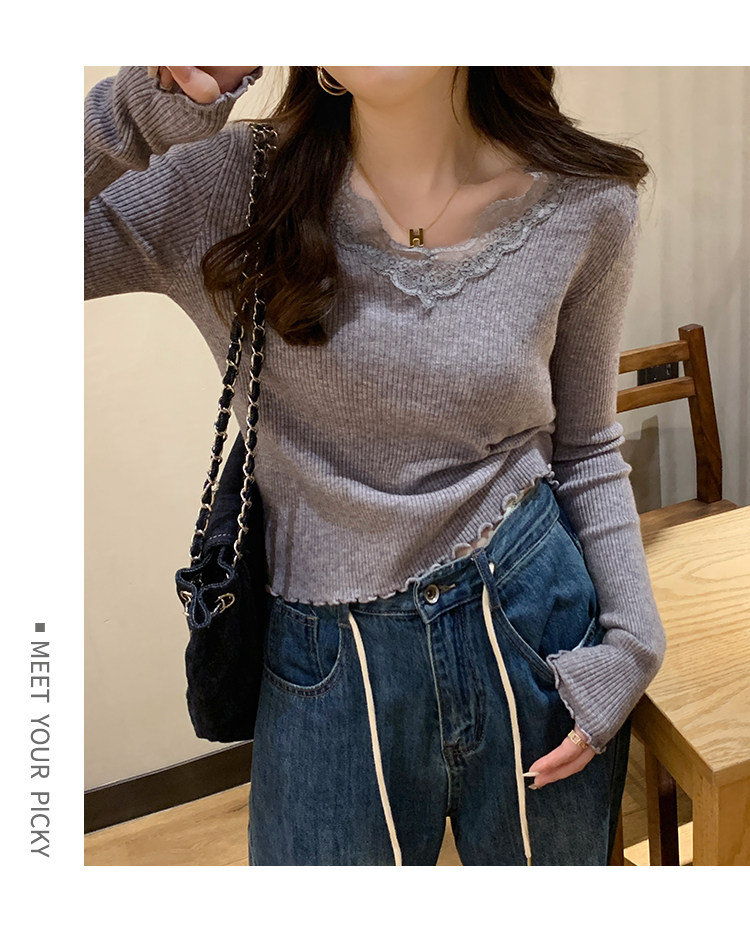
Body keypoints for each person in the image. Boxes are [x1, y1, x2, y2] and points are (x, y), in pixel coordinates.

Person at [84, 65, 667, 866]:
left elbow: (588, 444)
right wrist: (148, 102)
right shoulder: (224, 187)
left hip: (532, 623)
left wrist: (633, 642)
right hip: (325, 657)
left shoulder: (585, 201)